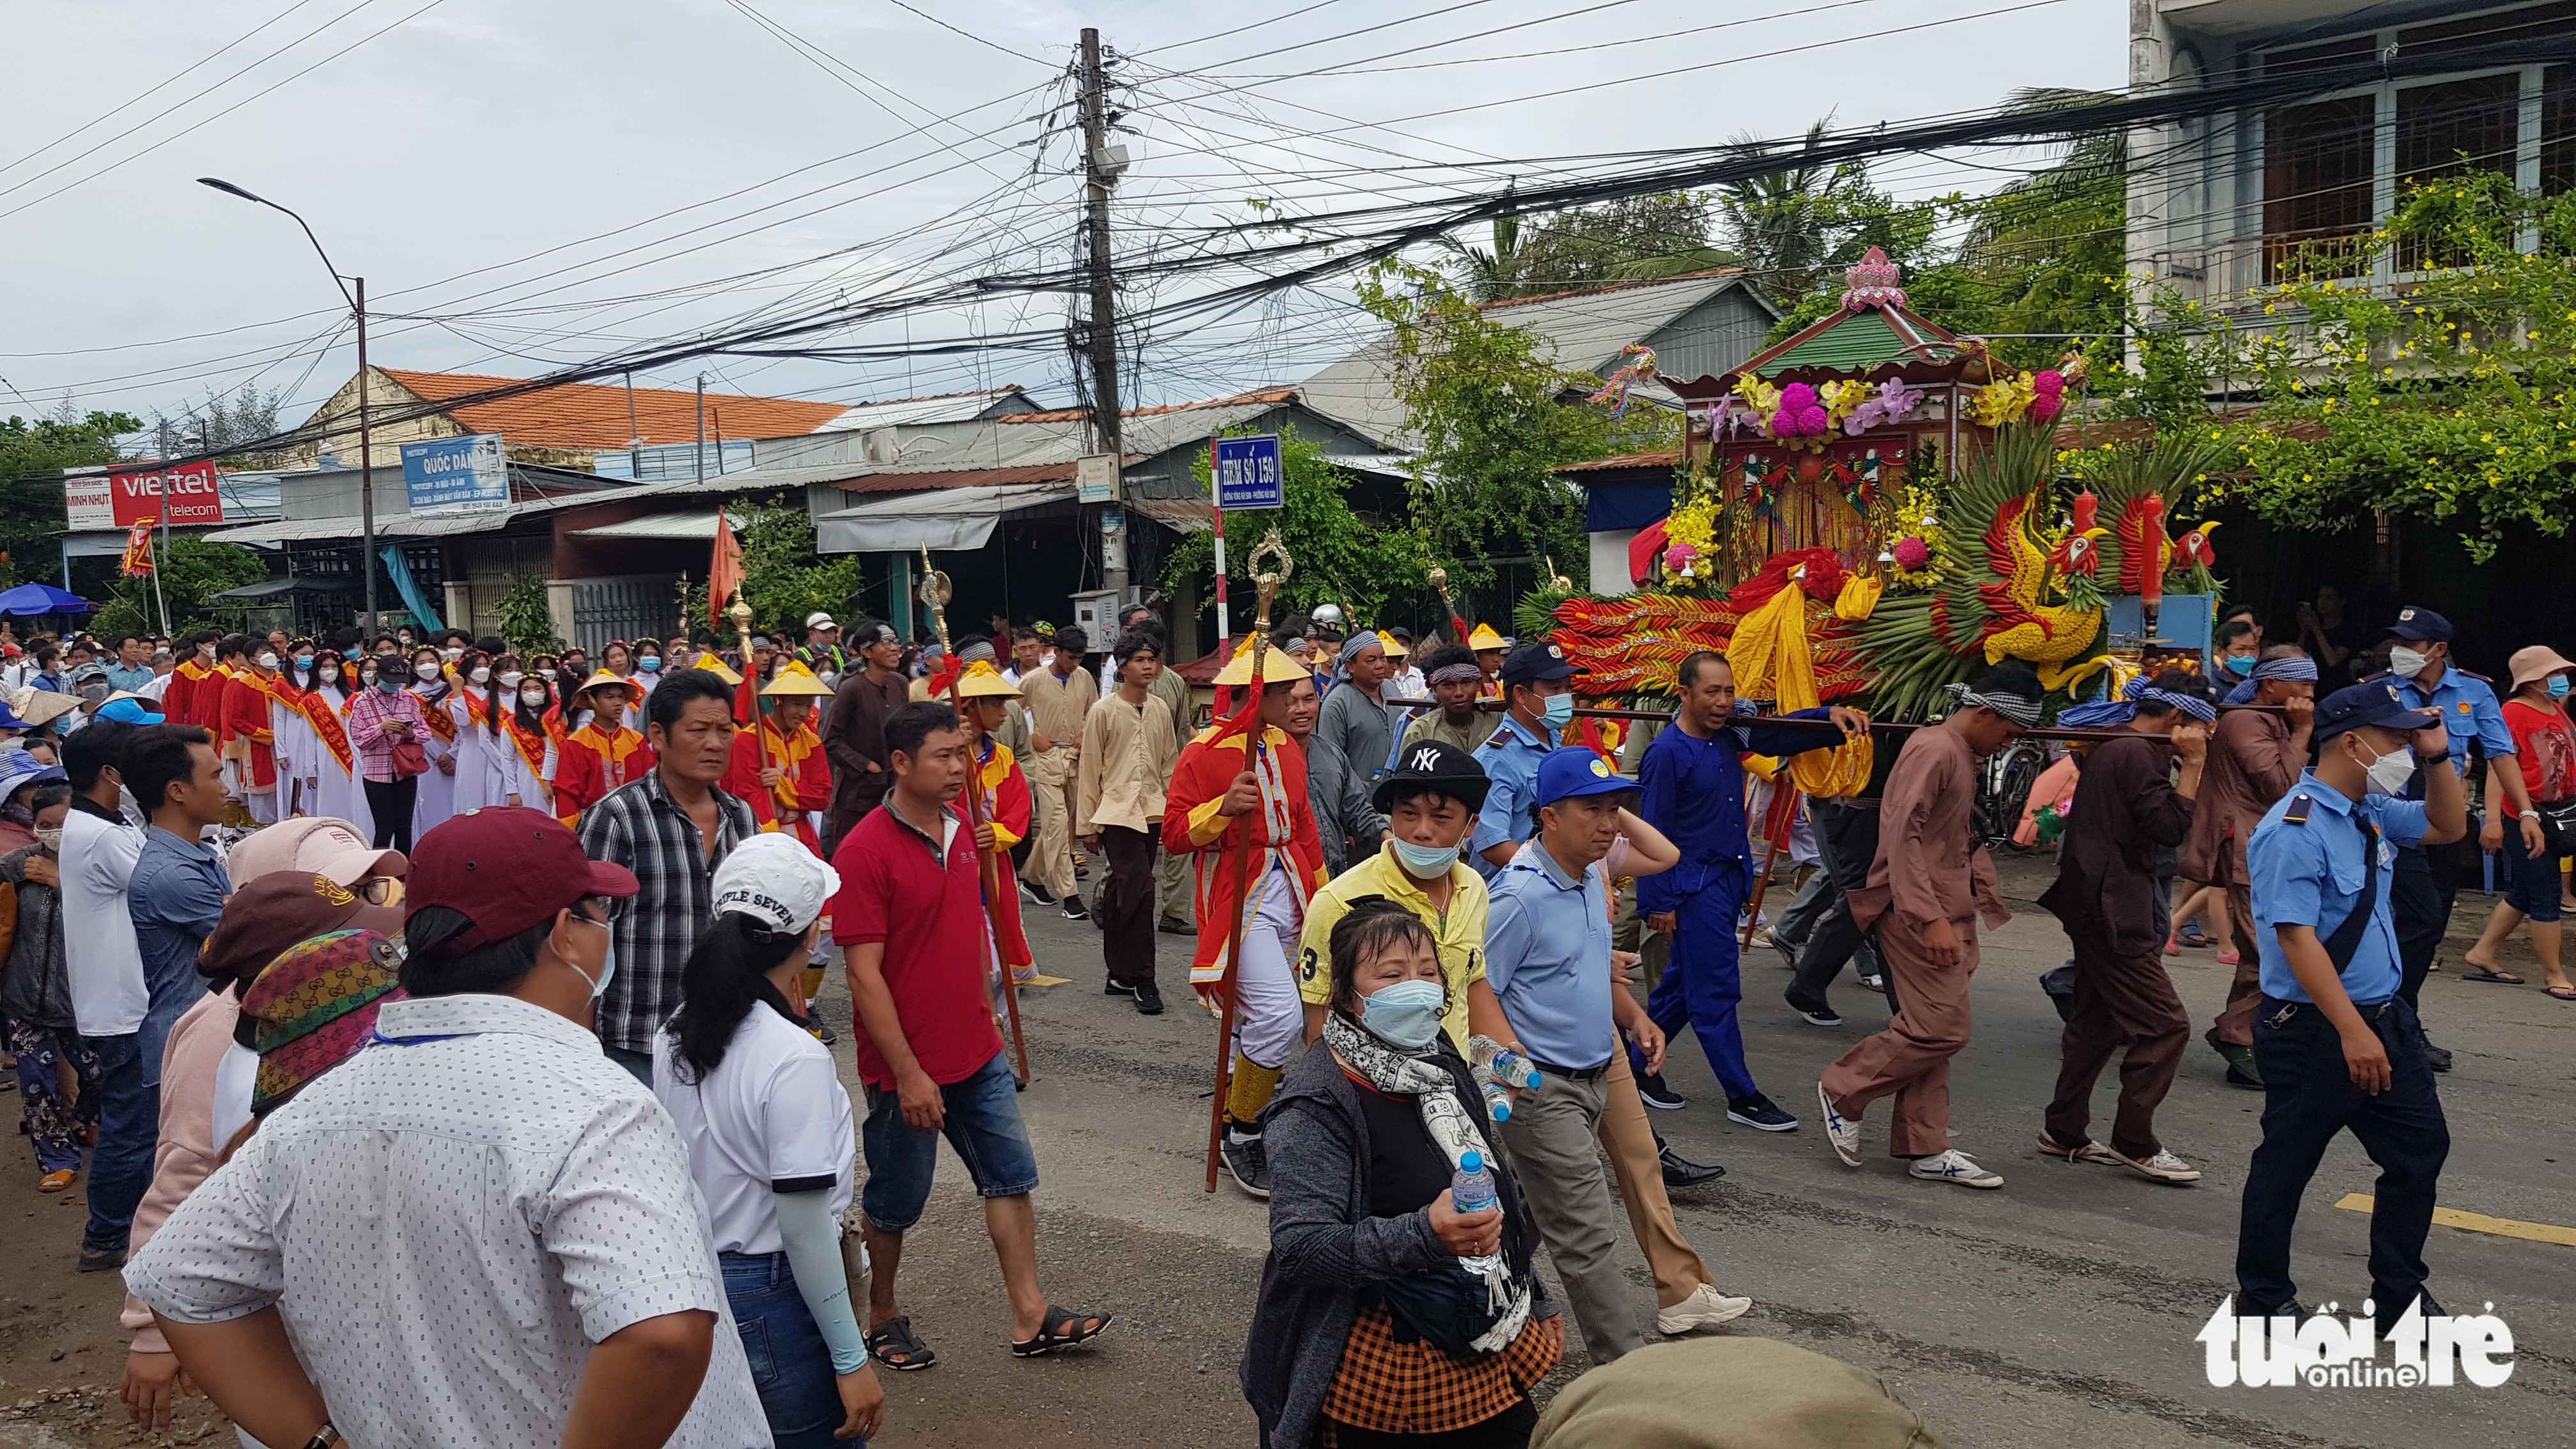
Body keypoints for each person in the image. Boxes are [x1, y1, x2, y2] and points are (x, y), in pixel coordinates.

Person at [124, 805, 772, 1449]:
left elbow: (179, 1279)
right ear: (564, 933)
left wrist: (317, 1440)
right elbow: (663, 1332)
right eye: (601, 913)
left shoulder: (315, 1109)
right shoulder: (591, 1106)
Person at [832, 700, 1110, 1371]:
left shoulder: (964, 827)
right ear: (901, 764)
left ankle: (1031, 1314)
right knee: (896, 1203)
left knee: (1009, 1177)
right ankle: (882, 1316)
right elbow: (864, 978)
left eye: (962, 754)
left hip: (977, 1052)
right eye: (944, 756)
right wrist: (907, 1073)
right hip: (908, 1066)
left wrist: (989, 1017)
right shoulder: (864, 850)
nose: (960, 767)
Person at [1245, 899, 1564, 1449]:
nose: (1415, 987)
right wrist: (1426, 1233)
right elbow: (1302, 1249)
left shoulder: (1437, 1058)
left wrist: (1533, 1296)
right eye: (1391, 975)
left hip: (1482, 1323)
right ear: (1348, 996)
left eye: (1427, 972)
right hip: (1379, 1361)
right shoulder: (1315, 1106)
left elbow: (1495, 1191)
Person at [118, 848, 404, 1436]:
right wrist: (152, 1329)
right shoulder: (220, 1042)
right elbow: (183, 1177)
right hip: (290, 1333)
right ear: (290, 966)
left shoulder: (318, 1031)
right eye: (346, 943)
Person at [1486, 746, 1752, 1362]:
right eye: (1592, 810)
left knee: (1522, 1215)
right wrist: (1510, 1067)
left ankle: (1480, 1315)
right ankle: (1629, 1373)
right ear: (1548, 816)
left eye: (1616, 809)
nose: (1609, 823)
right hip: (1542, 1086)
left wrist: (1634, 1018)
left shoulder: (1588, 876)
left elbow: (1586, 970)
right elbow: (1477, 988)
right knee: (1587, 1236)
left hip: (1598, 1069)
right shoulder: (1518, 898)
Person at [2235, 681, 2465, 1330]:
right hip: (2318, 1031)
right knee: (2288, 1163)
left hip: (2385, 1020)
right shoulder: (2294, 827)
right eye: (2396, 741)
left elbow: (2448, 825)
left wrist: (2439, 756)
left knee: (2421, 1152)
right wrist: (2349, 1031)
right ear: (2353, 743)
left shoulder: (2369, 810)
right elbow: (2296, 937)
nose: (2405, 752)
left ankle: (2399, 1297)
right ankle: (2264, 1297)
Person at [657, 836, 888, 1448]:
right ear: (811, 936)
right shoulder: (794, 1058)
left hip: (696, 1280)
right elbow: (805, 1226)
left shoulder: (676, 1031)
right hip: (775, 1295)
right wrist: (850, 1359)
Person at [1817, 661, 2041, 1190]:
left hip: (1946, 908)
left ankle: (1926, 1143)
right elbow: (1901, 838)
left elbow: (1951, 837)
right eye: (2009, 732)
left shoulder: (1954, 750)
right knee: (1942, 1028)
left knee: (1936, 1028)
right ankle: (1844, 1086)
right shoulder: (1936, 749)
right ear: (1985, 712)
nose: (2006, 743)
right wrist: (1932, 918)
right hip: (1920, 914)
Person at [1634, 652, 1867, 1129]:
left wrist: (1828, 718)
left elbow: (1781, 732)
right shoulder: (1666, 754)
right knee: (1715, 990)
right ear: (1684, 694)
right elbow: (1650, 830)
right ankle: (1742, 1096)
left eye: (1729, 691)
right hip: (1692, 888)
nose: (1724, 702)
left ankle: (1634, 1070)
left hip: (1726, 881)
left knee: (1682, 986)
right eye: (1712, 693)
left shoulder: (1730, 733)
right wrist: (1659, 903)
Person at [2034, 671, 2212, 1184]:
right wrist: (2193, 767)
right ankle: (2135, 1140)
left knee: (2097, 1021)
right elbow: (2168, 828)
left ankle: (2063, 1129)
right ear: (2179, 719)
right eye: (2202, 726)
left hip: (2098, 897)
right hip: (2112, 905)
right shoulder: (2135, 752)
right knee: (2166, 1026)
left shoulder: (2121, 747)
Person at [1165, 645, 1330, 1197]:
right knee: (1281, 1016)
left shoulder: (1287, 746)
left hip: (1293, 885)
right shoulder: (1205, 752)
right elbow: (1174, 833)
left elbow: (1303, 824)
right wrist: (1222, 809)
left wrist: (1325, 892)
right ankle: (1242, 1128)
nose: (1300, 704)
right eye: (1288, 694)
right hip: (1241, 892)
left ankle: (1248, 1110)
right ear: (1258, 696)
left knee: (1257, 1014)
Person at [578, 668, 757, 1087]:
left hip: (725, 1038)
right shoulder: (616, 818)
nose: (715, 743)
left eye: (724, 730)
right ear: (658, 736)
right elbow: (584, 936)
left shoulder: (741, 817)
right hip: (637, 1043)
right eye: (699, 730)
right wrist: (582, 1047)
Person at [2367, 606, 2525, 1074]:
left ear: (2438, 650)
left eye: (2410, 644)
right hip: (2394, 815)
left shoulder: (2474, 691)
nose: (2400, 652)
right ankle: (2389, 1019)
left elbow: (2500, 752)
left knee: (2430, 925)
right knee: (2416, 916)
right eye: (2397, 642)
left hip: (2446, 814)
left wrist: (2528, 811)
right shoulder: (2381, 689)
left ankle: (2398, 1016)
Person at [2185, 649, 2319, 1087]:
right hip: (2243, 842)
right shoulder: (2247, 720)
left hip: (2257, 843)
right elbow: (2283, 785)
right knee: (2270, 951)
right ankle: (2237, 1034)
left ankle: (2245, 1035)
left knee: (2262, 949)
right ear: (2271, 685)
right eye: (2301, 684)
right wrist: (2303, 732)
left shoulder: (2268, 719)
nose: (2309, 693)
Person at [59, 719, 148, 1269]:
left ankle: (121, 1224)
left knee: (135, 1120)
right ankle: (107, 1234)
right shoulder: (101, 836)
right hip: (121, 1003)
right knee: (131, 1125)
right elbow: (160, 883)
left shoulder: (101, 823)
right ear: (112, 774)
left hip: (115, 997)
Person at [2460, 645, 2576, 999]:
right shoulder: (2513, 712)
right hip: (2524, 816)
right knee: (2546, 893)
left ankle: (2482, 952)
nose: (2561, 679)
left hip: (2556, 814)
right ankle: (2554, 975)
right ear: (2534, 679)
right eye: (2554, 674)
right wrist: (2493, 820)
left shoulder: (2554, 707)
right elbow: (2500, 768)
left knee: (2526, 892)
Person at [1, 773, 95, 1193]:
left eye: (64, 823)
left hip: (83, 1001)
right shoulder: (17, 865)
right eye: (47, 824)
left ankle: (89, 1122)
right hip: (24, 998)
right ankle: (57, 1158)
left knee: (102, 1076)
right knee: (37, 1086)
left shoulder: (99, 867)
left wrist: (63, 883)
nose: (55, 832)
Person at [1077, 630, 1179, 1013]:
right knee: (1141, 886)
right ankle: (1144, 978)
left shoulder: (1161, 709)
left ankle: (1118, 972)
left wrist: (1174, 812)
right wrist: (1087, 825)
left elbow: (1169, 763)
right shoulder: (1103, 711)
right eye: (1139, 660)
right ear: (1122, 668)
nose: (1148, 666)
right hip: (1116, 811)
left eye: (1152, 659)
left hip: (1152, 808)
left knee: (1126, 892)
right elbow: (1090, 769)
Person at [951, 661, 1038, 990]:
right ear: (972, 707)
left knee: (1001, 948)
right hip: (955, 862)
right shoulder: (948, 753)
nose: (1005, 712)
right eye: (996, 704)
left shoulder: (1002, 755)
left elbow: (1018, 808)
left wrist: (997, 833)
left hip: (994, 860)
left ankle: (995, 1030)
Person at [1469, 644, 1576, 878]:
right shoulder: (1496, 759)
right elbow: (1493, 845)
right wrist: (1556, 877)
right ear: (1520, 694)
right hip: (1510, 888)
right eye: (1554, 689)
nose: (1565, 697)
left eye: (1568, 688)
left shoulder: (1554, 740)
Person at [1016, 624, 1095, 919]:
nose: (1075, 664)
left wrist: (1085, 733)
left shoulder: (1085, 678)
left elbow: (1093, 712)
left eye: (1080, 658)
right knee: (1057, 824)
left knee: (1059, 826)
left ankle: (1033, 880)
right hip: (1045, 759)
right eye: (1070, 657)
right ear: (1057, 653)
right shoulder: (1034, 680)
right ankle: (1070, 896)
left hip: (1074, 759)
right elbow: (1011, 712)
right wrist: (1031, 736)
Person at [726, 661, 834, 853]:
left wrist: (781, 784)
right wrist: (771, 842)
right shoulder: (748, 740)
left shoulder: (812, 742)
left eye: (809, 705)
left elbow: (822, 797)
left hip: (804, 838)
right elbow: (748, 795)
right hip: (762, 837)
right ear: (778, 701)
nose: (804, 713)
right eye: (797, 704)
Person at [822, 620, 909, 853]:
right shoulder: (851, 689)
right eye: (886, 643)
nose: (894, 648)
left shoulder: (900, 684)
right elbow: (830, 738)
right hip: (858, 795)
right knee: (856, 854)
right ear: (867, 652)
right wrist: (866, 765)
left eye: (896, 642)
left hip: (897, 789)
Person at [346, 651, 432, 851]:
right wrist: (382, 728)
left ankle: (404, 874)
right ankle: (380, 873)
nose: (394, 686)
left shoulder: (408, 699)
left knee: (404, 827)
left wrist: (410, 733)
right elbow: (359, 739)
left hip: (405, 771)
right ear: (379, 677)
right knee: (385, 827)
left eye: (398, 681)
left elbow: (425, 733)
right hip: (376, 774)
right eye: (390, 680)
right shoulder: (362, 702)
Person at [553, 669, 655, 825]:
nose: (618, 703)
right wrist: (572, 834)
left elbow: (650, 782)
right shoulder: (576, 743)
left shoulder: (636, 740)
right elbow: (566, 794)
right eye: (610, 697)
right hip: (592, 823)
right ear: (592, 701)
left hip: (635, 820)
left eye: (621, 697)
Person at [1317, 631, 1398, 790]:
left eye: (1383, 658)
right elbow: (1331, 764)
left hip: (1396, 797)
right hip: (1358, 805)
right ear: (1350, 666)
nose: (1381, 665)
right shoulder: (1337, 704)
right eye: (1371, 660)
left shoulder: (1392, 690)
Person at [1399, 644, 1499, 756]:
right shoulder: (1420, 731)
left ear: (1479, 684)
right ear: (1435, 688)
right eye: (1448, 685)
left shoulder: (1497, 717)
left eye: (1466, 683)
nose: (1459, 693)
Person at [2295, 584, 2363, 688]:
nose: (2323, 602)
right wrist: (2304, 631)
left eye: (2330, 598)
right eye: (2321, 597)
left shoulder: (2349, 630)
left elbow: (2333, 661)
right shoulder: (2315, 626)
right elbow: (2296, 656)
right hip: (2310, 682)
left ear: (2342, 602)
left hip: (2335, 686)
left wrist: (2317, 630)